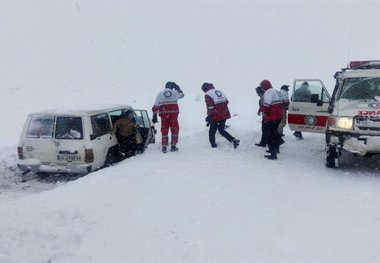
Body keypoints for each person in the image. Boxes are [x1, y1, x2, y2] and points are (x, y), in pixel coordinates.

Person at [201, 82, 240, 149]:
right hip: (224, 113)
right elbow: (227, 101)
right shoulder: (218, 91)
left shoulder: (208, 94)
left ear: (205, 89)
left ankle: (213, 145)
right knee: (221, 129)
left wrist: (209, 116)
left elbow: (210, 107)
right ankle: (234, 140)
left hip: (216, 114)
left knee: (212, 131)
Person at [152, 81, 184, 153]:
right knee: (175, 130)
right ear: (172, 87)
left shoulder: (159, 94)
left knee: (164, 130)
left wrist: (154, 115)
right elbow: (182, 95)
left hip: (164, 117)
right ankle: (173, 145)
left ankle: (164, 146)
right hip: (173, 116)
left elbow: (155, 106)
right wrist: (178, 88)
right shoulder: (175, 93)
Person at [259, 79, 283, 160]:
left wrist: (262, 110)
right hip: (278, 116)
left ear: (265, 86)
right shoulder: (275, 91)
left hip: (272, 116)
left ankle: (273, 153)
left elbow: (266, 105)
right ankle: (276, 149)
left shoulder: (268, 92)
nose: (262, 88)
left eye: (262, 86)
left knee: (270, 135)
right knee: (274, 132)